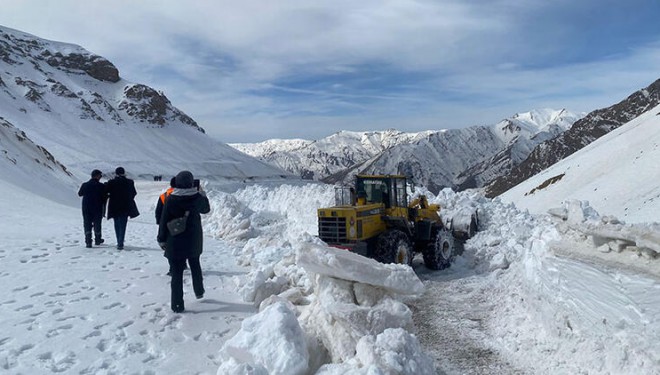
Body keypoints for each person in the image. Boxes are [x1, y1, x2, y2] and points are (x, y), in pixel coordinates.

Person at [157, 170, 210, 313]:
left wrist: (161, 239)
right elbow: (206, 209)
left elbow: (164, 220)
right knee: (195, 265)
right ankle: (199, 291)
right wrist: (202, 194)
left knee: (177, 274)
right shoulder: (196, 197)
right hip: (193, 240)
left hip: (175, 241)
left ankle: (177, 304)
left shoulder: (171, 198)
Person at [155, 177, 185, 276]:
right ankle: (183, 263)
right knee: (182, 245)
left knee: (170, 248)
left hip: (167, 226)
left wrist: (159, 223)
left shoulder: (164, 196)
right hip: (181, 225)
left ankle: (173, 268)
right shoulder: (183, 195)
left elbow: (158, 211)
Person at [105, 166, 137, 250]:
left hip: (114, 206)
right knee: (123, 224)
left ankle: (119, 241)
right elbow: (134, 193)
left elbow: (106, 192)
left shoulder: (111, 182)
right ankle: (120, 242)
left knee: (116, 224)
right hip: (125, 206)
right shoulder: (130, 182)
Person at [78, 169, 106, 248]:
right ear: (97, 176)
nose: (100, 177)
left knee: (87, 224)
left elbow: (80, 194)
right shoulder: (101, 186)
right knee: (97, 224)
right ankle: (97, 239)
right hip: (97, 208)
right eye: (100, 175)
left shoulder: (85, 184)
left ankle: (88, 241)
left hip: (86, 207)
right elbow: (104, 197)